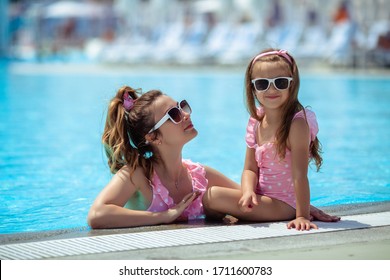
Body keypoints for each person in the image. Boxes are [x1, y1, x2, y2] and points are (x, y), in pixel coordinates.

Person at [88, 85, 339, 229]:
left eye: (182, 106)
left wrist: (301, 209)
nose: (186, 114)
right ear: (153, 137)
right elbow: (97, 215)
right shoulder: (137, 175)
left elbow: (252, 201)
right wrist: (162, 217)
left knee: (216, 197)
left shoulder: (199, 175)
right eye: (174, 114)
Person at [203, 49, 340, 230]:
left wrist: (302, 215)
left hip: (283, 204)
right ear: (253, 88)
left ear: (292, 84)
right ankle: (242, 207)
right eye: (262, 84)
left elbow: (300, 176)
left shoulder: (296, 125)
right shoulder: (256, 121)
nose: (272, 89)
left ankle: (241, 211)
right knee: (203, 174)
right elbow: (250, 169)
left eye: (280, 82)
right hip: (262, 196)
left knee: (211, 196)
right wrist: (248, 191)